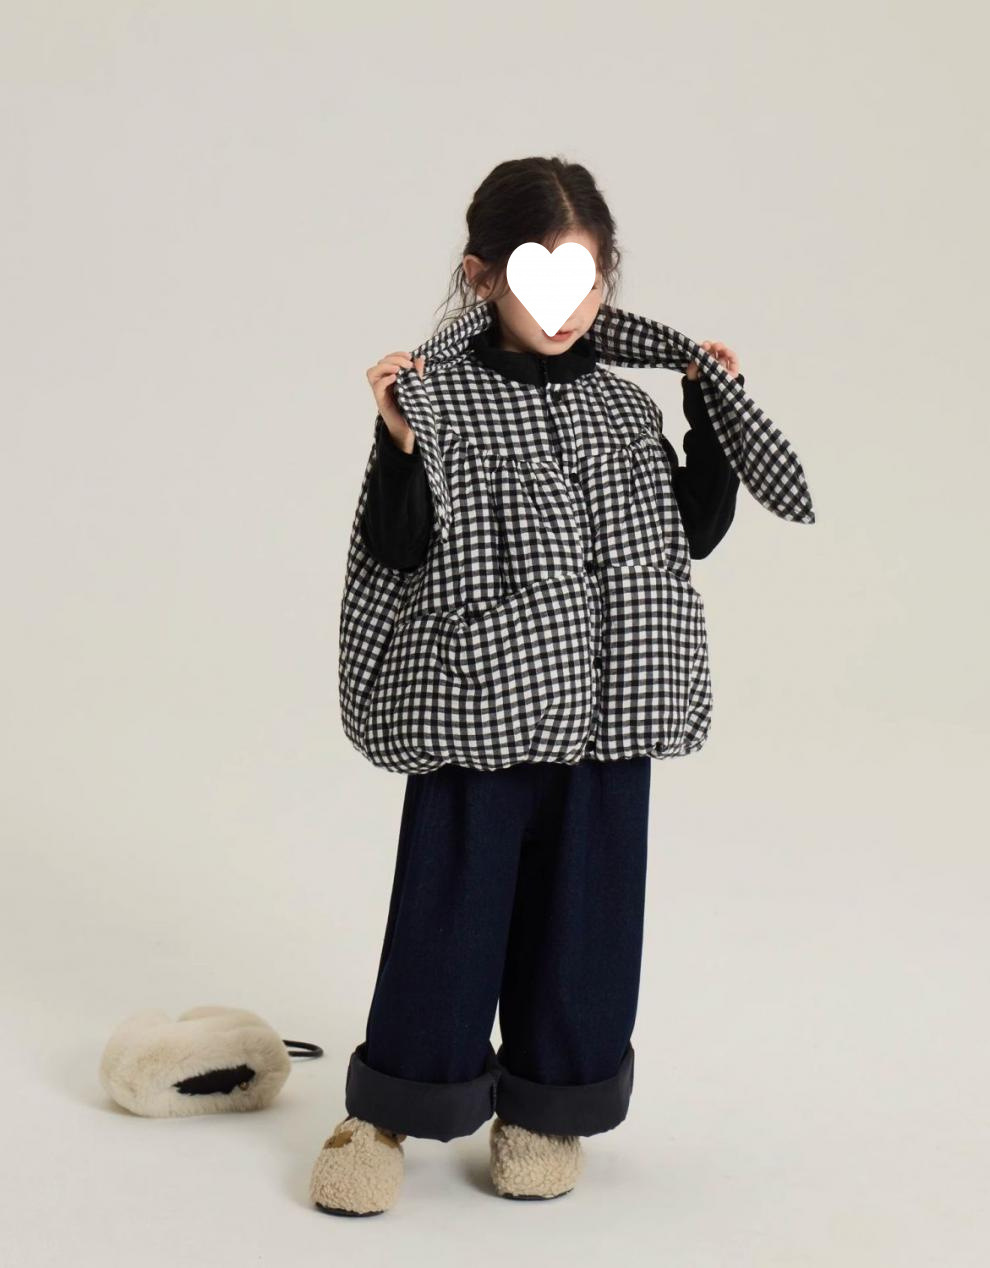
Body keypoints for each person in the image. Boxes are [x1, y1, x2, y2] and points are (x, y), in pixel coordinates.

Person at [310, 157, 747, 1217]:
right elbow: (396, 549)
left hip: (614, 705)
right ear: (481, 277)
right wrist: (399, 445)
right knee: (449, 910)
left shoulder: (622, 410)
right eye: (539, 277)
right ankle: (391, 1108)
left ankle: (549, 1108)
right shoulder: (440, 401)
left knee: (589, 917)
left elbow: (688, 532)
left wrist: (707, 418)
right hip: (485, 701)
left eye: (588, 281)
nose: (567, 306)